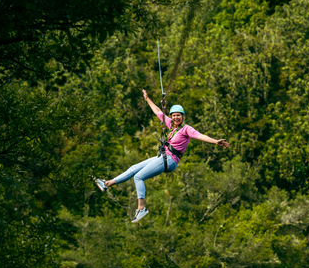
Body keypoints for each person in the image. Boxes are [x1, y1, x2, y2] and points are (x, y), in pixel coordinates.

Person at [92, 89, 230, 223]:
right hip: (162, 157)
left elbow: (200, 136)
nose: (176, 117)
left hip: (170, 161)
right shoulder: (169, 124)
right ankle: (107, 183)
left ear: (183, 116)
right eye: (174, 115)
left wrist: (215, 141)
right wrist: (147, 99)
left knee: (138, 177)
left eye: (178, 115)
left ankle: (141, 208)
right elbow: (158, 111)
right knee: (134, 169)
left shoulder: (186, 129)